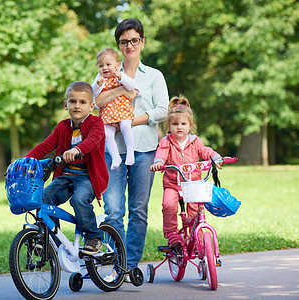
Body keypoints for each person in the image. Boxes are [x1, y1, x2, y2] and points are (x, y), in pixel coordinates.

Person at [94, 18, 169, 273]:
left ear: (142, 42)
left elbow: (163, 111)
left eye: (134, 40)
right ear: (118, 45)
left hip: (145, 149)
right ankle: (118, 262)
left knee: (138, 209)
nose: (129, 45)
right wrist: (120, 93)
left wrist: (129, 119)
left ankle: (128, 266)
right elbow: (95, 100)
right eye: (124, 41)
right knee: (113, 210)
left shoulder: (154, 76)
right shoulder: (106, 70)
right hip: (113, 149)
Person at [25, 81, 109, 255]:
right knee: (45, 196)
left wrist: (77, 150)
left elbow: (92, 142)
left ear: (92, 105)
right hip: (66, 176)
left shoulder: (97, 124)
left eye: (82, 102)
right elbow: (45, 146)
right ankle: (51, 241)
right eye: (72, 101)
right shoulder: (62, 127)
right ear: (66, 105)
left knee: (79, 200)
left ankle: (94, 237)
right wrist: (25, 161)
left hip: (88, 177)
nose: (77, 106)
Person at [150, 95, 222, 247]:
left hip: (193, 184)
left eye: (183, 123)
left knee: (196, 210)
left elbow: (205, 151)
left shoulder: (195, 141)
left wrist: (215, 157)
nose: (179, 127)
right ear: (169, 126)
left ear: (190, 125)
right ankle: (172, 235)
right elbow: (161, 154)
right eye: (175, 124)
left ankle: (197, 238)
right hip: (172, 185)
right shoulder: (166, 142)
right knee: (168, 205)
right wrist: (158, 162)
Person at [92, 48, 136, 170]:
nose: (104, 68)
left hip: (122, 109)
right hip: (107, 113)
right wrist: (97, 84)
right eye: (101, 66)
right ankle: (116, 157)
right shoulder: (100, 79)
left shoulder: (120, 75)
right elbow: (92, 94)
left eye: (108, 64)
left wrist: (121, 77)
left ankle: (130, 153)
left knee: (126, 127)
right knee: (107, 134)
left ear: (117, 66)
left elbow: (131, 85)